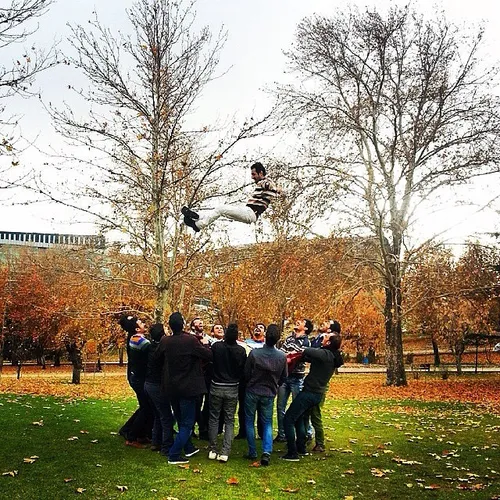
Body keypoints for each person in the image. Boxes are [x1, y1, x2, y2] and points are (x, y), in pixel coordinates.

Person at [156, 312, 213, 465]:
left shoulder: (165, 341)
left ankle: (188, 447)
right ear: (183, 325)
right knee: (188, 422)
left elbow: (157, 358)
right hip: (188, 387)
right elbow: (208, 355)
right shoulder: (190, 341)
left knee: (181, 419)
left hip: (171, 387)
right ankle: (174, 454)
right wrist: (206, 343)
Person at [281, 330, 344, 461]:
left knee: (288, 418)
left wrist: (296, 351)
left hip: (310, 393)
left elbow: (309, 351)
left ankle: (292, 453)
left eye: (326, 337)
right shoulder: (332, 356)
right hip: (315, 394)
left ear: (329, 342)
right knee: (299, 419)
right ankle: (301, 448)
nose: (323, 337)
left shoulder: (325, 354)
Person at [181, 162, 281, 232]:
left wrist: (277, 189)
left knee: (221, 209)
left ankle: (198, 225)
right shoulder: (264, 183)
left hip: (251, 214)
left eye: (254, 174)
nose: (252, 177)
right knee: (220, 209)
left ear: (261, 173)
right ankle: (199, 216)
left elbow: (270, 185)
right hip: (247, 210)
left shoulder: (266, 182)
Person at [244, 324, 287, 466]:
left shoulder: (255, 354)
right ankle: (266, 451)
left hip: (253, 390)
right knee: (267, 422)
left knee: (249, 421)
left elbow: (246, 373)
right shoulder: (281, 357)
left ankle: (252, 451)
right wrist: (275, 384)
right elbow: (283, 377)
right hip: (269, 392)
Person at [208, 323, 247, 462]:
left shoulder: (216, 347)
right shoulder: (241, 351)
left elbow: (210, 363)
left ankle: (213, 449)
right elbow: (243, 370)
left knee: (214, 417)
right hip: (232, 387)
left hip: (216, 386)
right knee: (229, 420)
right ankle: (225, 451)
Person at [118, 315, 154, 448]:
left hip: (136, 377)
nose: (144, 324)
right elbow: (154, 350)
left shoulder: (135, 338)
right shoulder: (139, 341)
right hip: (139, 378)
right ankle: (132, 436)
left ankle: (135, 432)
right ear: (137, 328)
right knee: (146, 407)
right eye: (141, 323)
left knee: (147, 406)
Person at [275, 319, 312, 443]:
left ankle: (306, 433)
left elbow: (299, 356)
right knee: (280, 407)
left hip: (297, 378)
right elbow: (282, 353)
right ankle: (282, 434)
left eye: (301, 322)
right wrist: (289, 355)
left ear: (305, 328)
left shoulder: (307, 342)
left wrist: (290, 355)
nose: (297, 322)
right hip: (285, 377)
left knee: (298, 407)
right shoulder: (289, 339)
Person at [309, 320, 341, 452]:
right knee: (311, 413)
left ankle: (320, 442)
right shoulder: (325, 346)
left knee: (315, 413)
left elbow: (311, 351)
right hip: (315, 385)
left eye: (328, 322)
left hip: (318, 387)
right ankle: (307, 437)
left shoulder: (329, 354)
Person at [144, 323, 174, 456]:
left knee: (158, 414)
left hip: (148, 384)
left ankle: (156, 442)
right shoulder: (162, 349)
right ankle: (166, 446)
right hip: (157, 385)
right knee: (166, 416)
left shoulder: (150, 347)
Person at [235, 323, 266, 439]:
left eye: (261, 327)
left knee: (261, 409)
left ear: (265, 332)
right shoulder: (245, 344)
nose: (258, 329)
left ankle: (262, 433)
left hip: (261, 381)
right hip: (246, 380)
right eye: (256, 327)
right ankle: (243, 431)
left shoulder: (267, 346)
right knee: (243, 407)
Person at [190, 317, 211, 440]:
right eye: (198, 322)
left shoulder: (207, 338)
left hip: (206, 375)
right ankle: (196, 428)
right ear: (193, 326)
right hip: (195, 376)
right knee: (196, 403)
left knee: (206, 404)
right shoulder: (191, 339)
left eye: (202, 322)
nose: (201, 323)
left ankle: (203, 428)